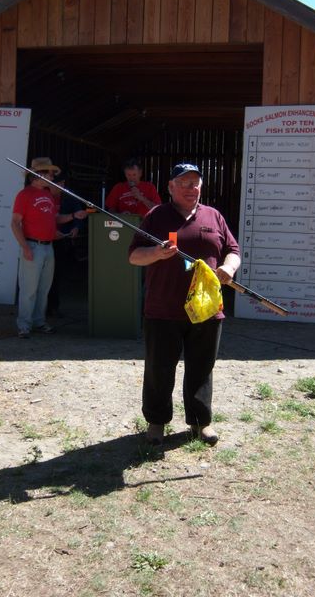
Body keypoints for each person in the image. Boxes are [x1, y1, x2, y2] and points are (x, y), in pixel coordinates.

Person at [128, 162, 240, 446]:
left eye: (196, 183)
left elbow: (233, 250)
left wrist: (229, 267)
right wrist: (156, 252)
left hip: (206, 309)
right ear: (171, 187)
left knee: (201, 368)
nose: (192, 188)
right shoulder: (156, 216)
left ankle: (200, 423)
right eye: (185, 183)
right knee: (159, 369)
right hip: (163, 308)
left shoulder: (213, 216)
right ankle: (156, 422)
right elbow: (134, 256)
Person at [11, 157, 88, 338]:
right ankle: (24, 325)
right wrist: (25, 247)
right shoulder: (24, 195)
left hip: (48, 246)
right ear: (39, 175)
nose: (52, 177)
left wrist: (73, 216)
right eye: (50, 173)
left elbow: (54, 219)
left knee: (44, 288)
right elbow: (15, 223)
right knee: (29, 289)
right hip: (33, 245)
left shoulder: (47, 195)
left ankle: (39, 321)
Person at [46, 169, 84, 317]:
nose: (59, 186)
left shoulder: (69, 196)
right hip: (43, 240)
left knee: (55, 275)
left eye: (60, 183)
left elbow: (81, 213)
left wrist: (76, 227)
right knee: (41, 276)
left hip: (61, 241)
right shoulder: (43, 195)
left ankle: (53, 307)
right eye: (55, 183)